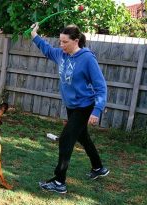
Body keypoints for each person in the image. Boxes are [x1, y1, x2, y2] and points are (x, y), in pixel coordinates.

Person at [31, 23, 109, 194]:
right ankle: (98, 167)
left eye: (65, 42)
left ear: (76, 41)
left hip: (84, 106)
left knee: (66, 139)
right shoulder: (61, 54)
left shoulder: (87, 59)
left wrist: (97, 110)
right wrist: (34, 35)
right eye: (60, 41)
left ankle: (59, 182)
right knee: (83, 137)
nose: (61, 45)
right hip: (71, 106)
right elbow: (47, 49)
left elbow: (101, 87)